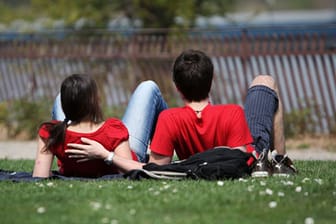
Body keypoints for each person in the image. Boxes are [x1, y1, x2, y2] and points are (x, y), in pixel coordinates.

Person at [62, 50, 298, 177]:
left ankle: (278, 159)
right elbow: (243, 156)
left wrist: (108, 155)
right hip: (242, 154)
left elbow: (153, 168)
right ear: (211, 82)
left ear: (176, 87)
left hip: (191, 159)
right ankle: (279, 159)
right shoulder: (234, 113)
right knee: (265, 81)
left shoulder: (169, 119)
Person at [33, 74, 167, 178]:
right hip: (124, 157)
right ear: (96, 101)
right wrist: (106, 155)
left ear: (64, 106)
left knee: (69, 93)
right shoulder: (112, 130)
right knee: (148, 87)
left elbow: (39, 176)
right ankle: (160, 157)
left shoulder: (50, 133)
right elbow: (128, 171)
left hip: (67, 136)